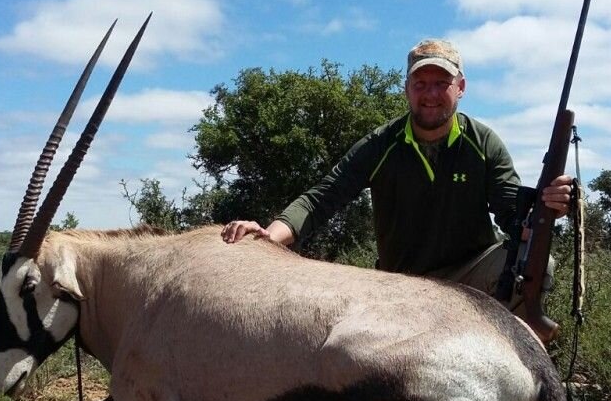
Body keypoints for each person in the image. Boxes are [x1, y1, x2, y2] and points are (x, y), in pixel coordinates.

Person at [221, 39, 572, 336]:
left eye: (441, 83)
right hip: (401, 286)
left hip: (471, 277)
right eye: (420, 84)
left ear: (460, 87)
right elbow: (320, 199)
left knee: (538, 263)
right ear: (406, 88)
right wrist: (269, 237)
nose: (430, 94)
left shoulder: (483, 142)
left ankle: (526, 373)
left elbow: (512, 212)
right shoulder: (381, 144)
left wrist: (545, 210)